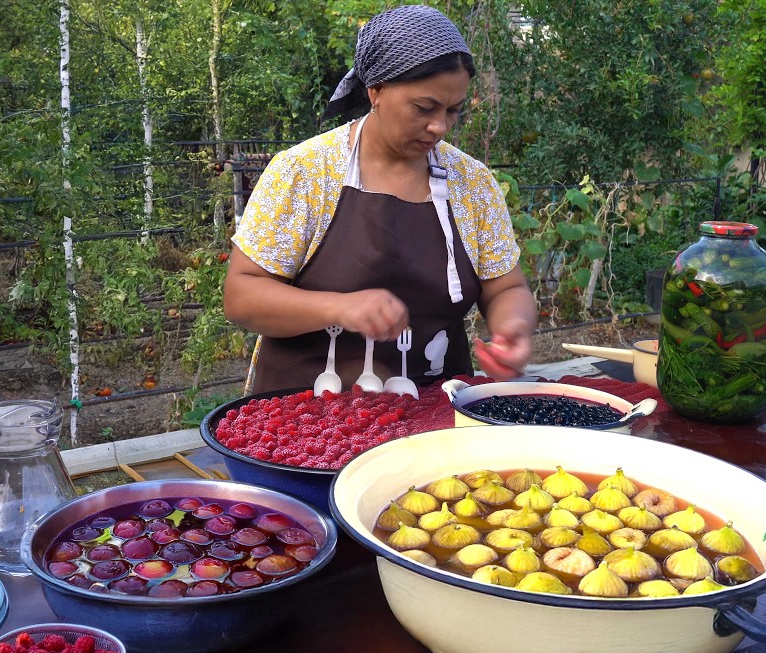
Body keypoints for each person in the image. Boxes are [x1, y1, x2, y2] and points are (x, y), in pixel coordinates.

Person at [223, 4, 536, 394]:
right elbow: (242, 295)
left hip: (431, 414)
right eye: (424, 108)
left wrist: (512, 330)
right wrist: (340, 308)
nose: (439, 126)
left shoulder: (471, 184)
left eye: (453, 111)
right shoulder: (305, 172)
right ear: (376, 90)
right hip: (304, 420)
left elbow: (505, 289)